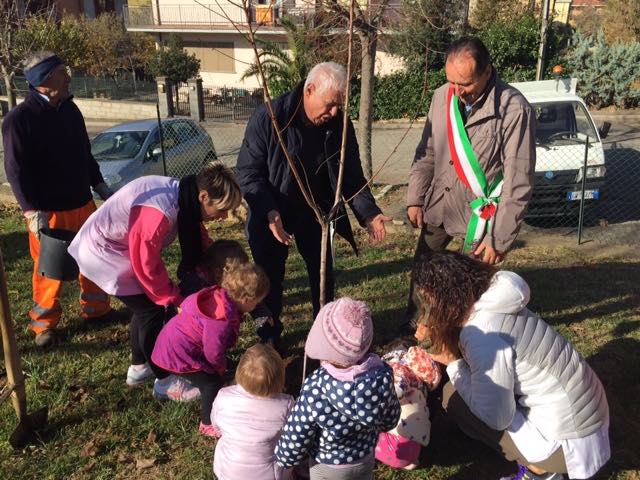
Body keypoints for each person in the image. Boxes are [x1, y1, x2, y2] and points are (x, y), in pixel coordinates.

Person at [412, 251, 610, 480]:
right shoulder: (494, 295)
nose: (428, 310)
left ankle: (541, 470)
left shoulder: (483, 334)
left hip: (569, 446)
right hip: (592, 417)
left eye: (429, 302)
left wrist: (453, 362)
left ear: (447, 299)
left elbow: (497, 417)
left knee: (453, 398)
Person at [236, 62, 391, 347]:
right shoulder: (271, 117)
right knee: (268, 280)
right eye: (330, 104)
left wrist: (369, 213)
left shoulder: (339, 124)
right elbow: (248, 173)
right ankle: (269, 339)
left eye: (339, 105)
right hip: (272, 210)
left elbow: (352, 175)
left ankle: (325, 335)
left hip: (316, 212)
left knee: (323, 275)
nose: (334, 112)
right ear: (310, 90)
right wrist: (269, 211)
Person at [68, 162, 242, 393]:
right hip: (103, 251)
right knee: (152, 311)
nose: (223, 217)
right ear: (204, 197)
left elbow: (200, 242)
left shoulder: (184, 198)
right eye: (221, 209)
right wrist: (172, 297)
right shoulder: (160, 211)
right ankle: (164, 381)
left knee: (143, 309)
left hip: (120, 249)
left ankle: (139, 368)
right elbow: (145, 262)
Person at [405, 36, 536, 327]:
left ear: (487, 72)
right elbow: (427, 150)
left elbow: (519, 180)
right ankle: (413, 329)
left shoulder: (514, 110)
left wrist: (499, 239)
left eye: (465, 84)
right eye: (452, 82)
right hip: (440, 206)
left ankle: (460, 344)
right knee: (423, 275)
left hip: (479, 219)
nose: (457, 91)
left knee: (466, 292)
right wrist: (415, 197)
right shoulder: (442, 97)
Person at [2, 51, 117, 347]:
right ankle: (44, 325)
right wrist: (30, 210)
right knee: (49, 270)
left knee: (93, 258)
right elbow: (15, 171)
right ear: (43, 79)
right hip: (48, 212)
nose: (68, 77)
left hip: (83, 203)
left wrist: (100, 184)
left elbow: (84, 153)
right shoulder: (19, 120)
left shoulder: (70, 110)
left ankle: (97, 309)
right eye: (61, 72)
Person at [275, 297, 401, 479]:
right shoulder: (381, 376)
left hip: (327, 466)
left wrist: (284, 458)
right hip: (365, 458)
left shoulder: (316, 387)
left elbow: (298, 431)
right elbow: (391, 419)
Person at [151, 263, 270, 436]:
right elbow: (213, 353)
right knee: (211, 383)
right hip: (177, 354)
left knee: (218, 370)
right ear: (246, 300)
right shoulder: (219, 319)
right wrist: (219, 369)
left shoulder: (220, 298)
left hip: (174, 344)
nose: (256, 307)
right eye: (257, 303)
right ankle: (207, 424)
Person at [210, 343, 295, 480]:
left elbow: (216, 425)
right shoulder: (286, 404)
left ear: (239, 372)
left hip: (227, 471)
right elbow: (292, 436)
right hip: (269, 474)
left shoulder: (223, 396)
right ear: (279, 379)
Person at [374, 343, 441, 470]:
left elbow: (398, 387)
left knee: (370, 433)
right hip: (415, 446)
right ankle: (411, 461)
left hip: (394, 449)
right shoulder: (421, 389)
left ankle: (395, 458)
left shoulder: (397, 371)